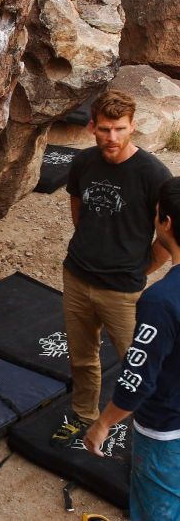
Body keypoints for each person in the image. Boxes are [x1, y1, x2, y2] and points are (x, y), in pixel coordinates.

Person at [52, 90, 173, 447]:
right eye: (104, 129)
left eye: (120, 129)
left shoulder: (154, 175)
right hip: (77, 275)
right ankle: (83, 415)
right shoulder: (84, 163)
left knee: (139, 365)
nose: (112, 138)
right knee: (82, 355)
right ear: (92, 126)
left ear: (133, 126)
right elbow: (78, 208)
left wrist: (143, 265)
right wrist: (91, 247)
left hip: (123, 290)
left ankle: (149, 436)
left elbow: (168, 232)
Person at [83, 177, 180, 520]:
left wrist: (104, 423)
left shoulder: (161, 302)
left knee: (159, 509)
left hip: (166, 430)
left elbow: (137, 377)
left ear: (165, 223)